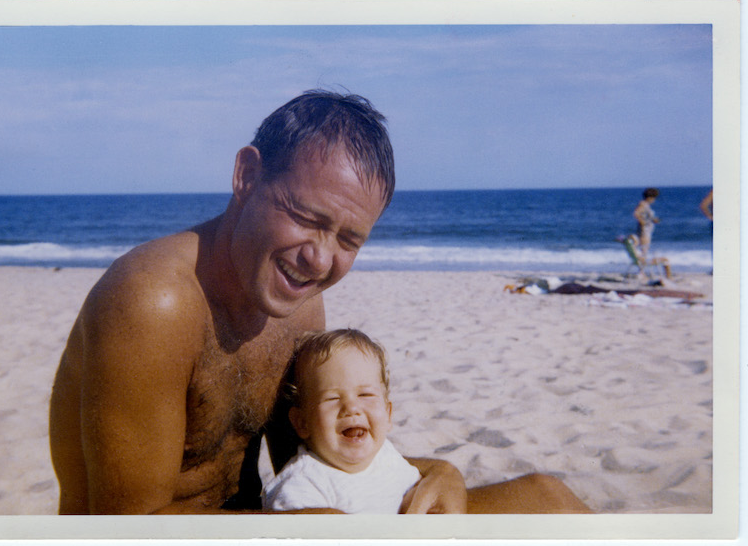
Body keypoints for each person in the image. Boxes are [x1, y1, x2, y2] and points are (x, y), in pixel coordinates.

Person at [49, 89, 590, 515]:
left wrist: (437, 472)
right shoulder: (154, 302)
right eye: (306, 218)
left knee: (550, 500)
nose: (319, 258)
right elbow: (122, 528)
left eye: (349, 239)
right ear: (247, 175)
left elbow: (311, 460)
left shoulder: (296, 303)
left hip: (273, 521)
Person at [262, 329, 423, 513]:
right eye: (332, 398)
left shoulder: (388, 456)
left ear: (388, 414)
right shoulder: (302, 485)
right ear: (302, 422)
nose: (351, 407)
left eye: (365, 394)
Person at [633, 187, 661, 260]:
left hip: (647, 230)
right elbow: (636, 213)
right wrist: (642, 223)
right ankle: (641, 270)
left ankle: (641, 270)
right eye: (654, 198)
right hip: (644, 230)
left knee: (644, 250)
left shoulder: (646, 205)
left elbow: (644, 216)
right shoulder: (643, 204)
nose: (654, 200)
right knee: (644, 250)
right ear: (650, 197)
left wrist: (652, 220)